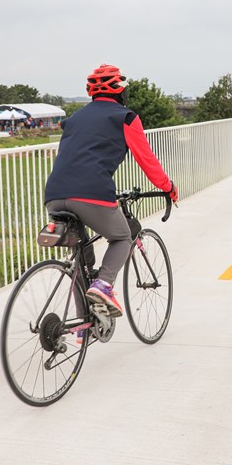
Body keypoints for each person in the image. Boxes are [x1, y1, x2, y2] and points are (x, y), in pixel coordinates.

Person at [44, 64, 178, 318]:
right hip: (92, 192)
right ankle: (104, 285)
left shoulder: (73, 120)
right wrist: (168, 187)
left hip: (54, 194)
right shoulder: (125, 117)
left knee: (82, 260)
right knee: (122, 237)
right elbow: (146, 160)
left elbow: (73, 159)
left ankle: (85, 324)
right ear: (120, 93)